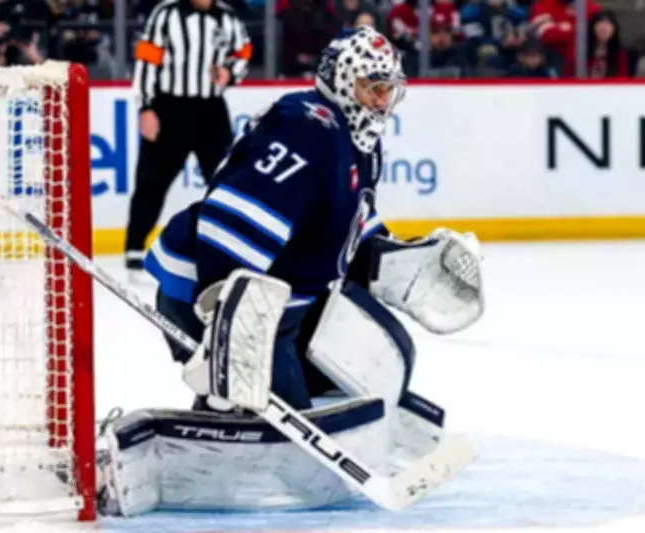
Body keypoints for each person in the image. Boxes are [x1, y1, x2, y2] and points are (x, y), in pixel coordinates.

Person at [96, 26, 484, 516]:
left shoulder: (360, 137)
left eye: (389, 88)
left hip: (284, 304)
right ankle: (174, 450)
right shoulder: (305, 127)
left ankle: (237, 401)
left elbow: (346, 225)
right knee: (267, 414)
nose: (383, 100)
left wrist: (398, 258)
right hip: (218, 295)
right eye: (373, 86)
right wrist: (226, 320)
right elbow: (231, 220)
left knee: (341, 378)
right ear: (340, 80)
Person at [124, 0, 252, 281]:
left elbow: (244, 50)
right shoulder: (167, 13)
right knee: (152, 181)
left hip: (211, 108)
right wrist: (145, 106)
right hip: (170, 107)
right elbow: (147, 58)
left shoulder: (227, 17)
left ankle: (228, 248)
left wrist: (231, 73)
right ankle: (134, 249)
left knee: (226, 182)